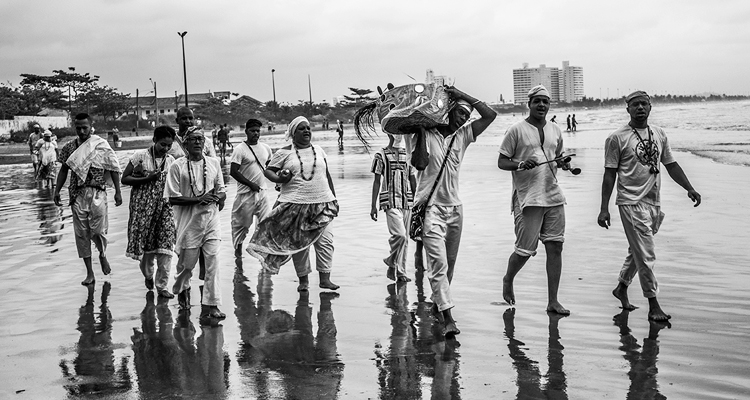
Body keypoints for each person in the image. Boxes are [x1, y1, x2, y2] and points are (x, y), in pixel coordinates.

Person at [598, 90, 701, 321]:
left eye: (644, 104)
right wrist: (604, 208)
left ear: (650, 107)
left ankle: (621, 287)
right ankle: (653, 304)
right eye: (635, 105)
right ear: (628, 109)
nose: (640, 108)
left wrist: (689, 188)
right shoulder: (617, 138)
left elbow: (671, 164)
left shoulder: (659, 133)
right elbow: (609, 175)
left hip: (653, 201)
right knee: (646, 253)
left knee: (637, 251)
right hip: (630, 201)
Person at [405, 86, 497, 337]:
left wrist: (463, 95)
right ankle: (448, 318)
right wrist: (422, 131)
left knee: (451, 264)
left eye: (466, 116)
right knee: (438, 264)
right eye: (460, 114)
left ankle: (438, 303)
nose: (463, 119)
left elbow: (490, 115)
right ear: (448, 112)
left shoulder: (464, 136)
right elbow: (420, 163)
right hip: (430, 207)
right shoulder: (425, 134)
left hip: (455, 207)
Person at [497, 85, 571, 315]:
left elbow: (557, 157)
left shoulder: (556, 129)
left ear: (549, 105)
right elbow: (502, 161)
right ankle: (508, 278)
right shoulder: (516, 130)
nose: (541, 105)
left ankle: (553, 301)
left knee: (556, 246)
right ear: (528, 104)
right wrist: (520, 164)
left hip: (553, 193)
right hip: (528, 197)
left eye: (545, 102)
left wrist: (564, 163)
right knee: (524, 250)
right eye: (537, 101)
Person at [247, 116, 340, 292]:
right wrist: (280, 178)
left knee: (326, 242)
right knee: (299, 245)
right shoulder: (284, 153)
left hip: (323, 203)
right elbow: (269, 171)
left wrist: (334, 198)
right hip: (294, 206)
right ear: (292, 133)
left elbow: (326, 175)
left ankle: (325, 278)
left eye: (308, 128)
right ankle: (303, 281)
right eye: (301, 128)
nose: (306, 131)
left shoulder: (319, 150)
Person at [165, 128, 227, 325]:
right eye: (193, 140)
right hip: (189, 223)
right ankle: (182, 290)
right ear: (185, 143)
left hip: (211, 221)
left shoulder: (214, 163)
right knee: (187, 265)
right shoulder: (177, 166)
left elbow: (222, 191)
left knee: (213, 263)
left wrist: (218, 197)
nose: (198, 143)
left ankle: (212, 305)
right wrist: (199, 199)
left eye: (201, 139)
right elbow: (172, 198)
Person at [54, 113, 123, 285]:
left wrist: (118, 191)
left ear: (91, 126)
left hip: (98, 192)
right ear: (75, 127)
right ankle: (90, 273)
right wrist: (56, 191)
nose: (82, 131)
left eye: (85, 127)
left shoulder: (100, 145)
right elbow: (63, 170)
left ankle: (102, 254)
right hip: (77, 194)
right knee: (81, 234)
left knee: (99, 231)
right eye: (78, 128)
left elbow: (113, 167)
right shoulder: (70, 147)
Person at [121, 125, 178, 298]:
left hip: (165, 208)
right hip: (143, 208)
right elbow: (125, 179)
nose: (166, 149)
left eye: (169, 145)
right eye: (163, 144)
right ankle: (148, 275)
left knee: (166, 245)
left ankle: (162, 286)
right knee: (147, 247)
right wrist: (147, 178)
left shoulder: (171, 161)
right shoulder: (140, 157)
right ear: (154, 140)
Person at [370, 133, 417, 282]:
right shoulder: (381, 155)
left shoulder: (408, 154)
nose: (397, 135)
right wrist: (373, 205)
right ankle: (391, 262)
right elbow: (377, 181)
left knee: (406, 239)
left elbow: (412, 178)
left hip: (407, 200)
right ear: (388, 133)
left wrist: (418, 202)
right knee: (400, 235)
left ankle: (400, 272)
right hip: (389, 200)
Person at [230, 118, 272, 258]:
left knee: (265, 224)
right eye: (253, 131)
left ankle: (262, 256)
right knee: (241, 227)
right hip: (245, 195)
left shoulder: (266, 148)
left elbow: (270, 168)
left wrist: (279, 181)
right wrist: (250, 184)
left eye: (258, 131)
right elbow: (233, 172)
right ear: (246, 131)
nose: (256, 134)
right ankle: (238, 256)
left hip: (262, 193)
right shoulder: (240, 150)